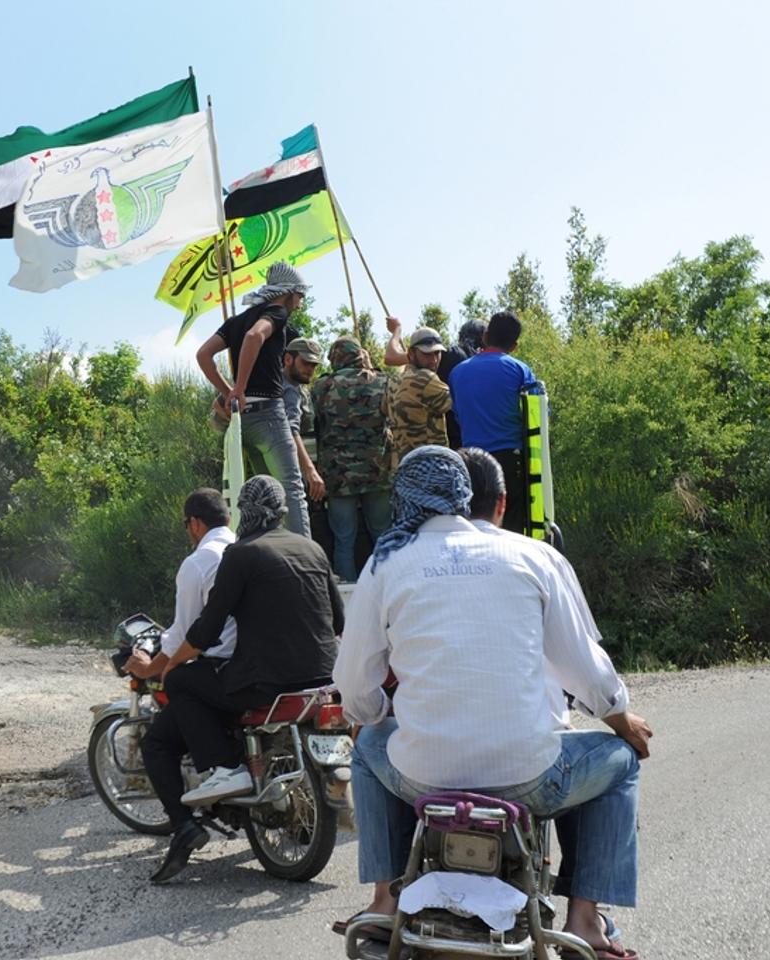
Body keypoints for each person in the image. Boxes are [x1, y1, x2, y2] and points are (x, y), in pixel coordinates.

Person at [333, 446, 651, 959]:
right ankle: (586, 922)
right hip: (529, 778)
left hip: (422, 779)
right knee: (617, 763)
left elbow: (353, 685)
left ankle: (385, 902)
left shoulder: (385, 564)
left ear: (403, 500)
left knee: (370, 744)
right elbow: (584, 668)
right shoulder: (534, 556)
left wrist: (369, 720)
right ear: (470, 497)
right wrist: (620, 719)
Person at [147, 475, 342, 883]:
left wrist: (171, 664)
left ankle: (223, 767)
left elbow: (205, 630)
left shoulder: (242, 554)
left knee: (183, 682)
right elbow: (338, 620)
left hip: (266, 683)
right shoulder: (312, 547)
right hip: (325, 675)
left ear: (246, 511)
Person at [135, 490, 238, 877]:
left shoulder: (198, 563)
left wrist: (152, 667)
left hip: (218, 670)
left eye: (186, 526)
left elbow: (183, 636)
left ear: (195, 523)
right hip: (261, 666)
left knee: (158, 740)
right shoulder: (243, 549)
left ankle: (184, 824)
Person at [195, 261, 311, 537]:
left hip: (242, 421)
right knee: (292, 491)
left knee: (265, 497)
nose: (299, 303)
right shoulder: (277, 312)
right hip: (270, 415)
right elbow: (254, 336)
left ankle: (272, 556)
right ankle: (305, 559)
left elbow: (203, 355)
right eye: (300, 296)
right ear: (289, 292)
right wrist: (239, 389)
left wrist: (229, 392)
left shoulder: (237, 320)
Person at [449, 311, 538, 534]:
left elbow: (457, 415)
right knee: (511, 529)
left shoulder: (457, 373)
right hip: (510, 461)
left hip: (471, 463)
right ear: (514, 346)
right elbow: (537, 416)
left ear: (486, 336)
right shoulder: (520, 370)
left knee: (474, 527)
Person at [311, 337, 392, 581]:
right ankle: (387, 585)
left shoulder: (322, 386)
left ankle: (347, 591)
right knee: (382, 535)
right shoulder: (382, 382)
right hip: (377, 471)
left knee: (343, 539)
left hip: (338, 476)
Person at [383, 326, 453, 466]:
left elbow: (384, 409)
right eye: (427, 354)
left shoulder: (393, 382)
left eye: (437, 353)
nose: (434, 360)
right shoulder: (426, 378)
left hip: (402, 467)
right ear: (411, 353)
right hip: (429, 466)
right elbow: (456, 403)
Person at [282, 337, 326, 504]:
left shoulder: (299, 386)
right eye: (305, 363)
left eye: (313, 365)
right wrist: (310, 471)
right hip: (293, 470)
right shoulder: (288, 389)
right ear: (288, 359)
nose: (310, 369)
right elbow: (290, 430)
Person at [437, 319, 486, 448]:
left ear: (460, 336)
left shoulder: (450, 354)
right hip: (479, 432)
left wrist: (396, 331)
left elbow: (392, 357)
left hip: (452, 430)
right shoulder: (487, 361)